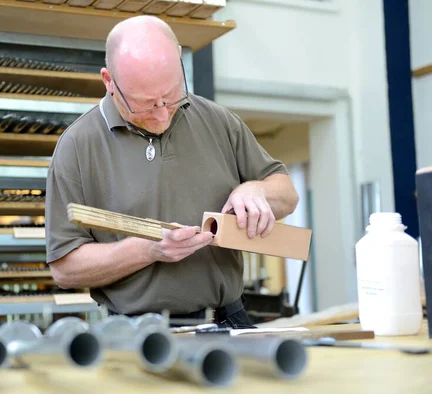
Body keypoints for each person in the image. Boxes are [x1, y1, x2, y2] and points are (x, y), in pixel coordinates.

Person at [44, 15, 299, 328]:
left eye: (172, 94)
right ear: (109, 82)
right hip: (136, 331)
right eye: (146, 104)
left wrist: (256, 190)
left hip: (226, 320)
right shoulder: (77, 147)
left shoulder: (219, 122)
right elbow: (65, 269)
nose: (163, 113)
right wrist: (149, 249)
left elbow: (286, 194)